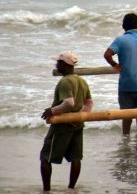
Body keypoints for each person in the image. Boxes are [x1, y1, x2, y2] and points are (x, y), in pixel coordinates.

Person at [40, 52, 94, 192]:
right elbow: (89, 102)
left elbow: (69, 103)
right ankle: (71, 189)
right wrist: (80, 116)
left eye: (58, 63)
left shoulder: (65, 81)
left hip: (62, 125)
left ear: (64, 65)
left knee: (46, 157)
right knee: (76, 157)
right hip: (77, 124)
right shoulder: (81, 80)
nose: (56, 65)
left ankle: (46, 190)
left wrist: (53, 110)